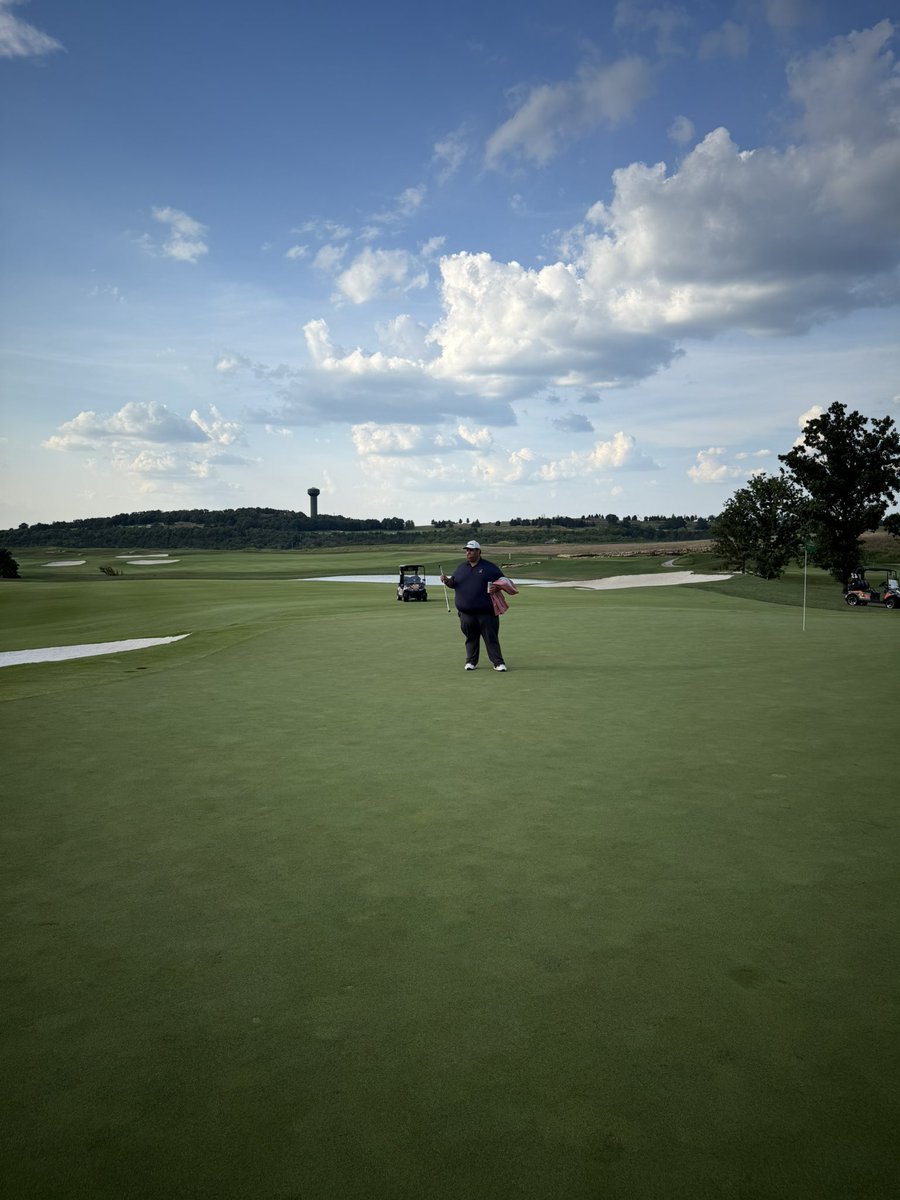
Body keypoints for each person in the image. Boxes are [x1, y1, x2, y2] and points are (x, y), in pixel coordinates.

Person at [440, 541, 510, 672]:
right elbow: (454, 583)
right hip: (466, 613)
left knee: (491, 638)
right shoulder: (461, 568)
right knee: (471, 638)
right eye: (467, 550)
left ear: (479, 551)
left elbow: (504, 582)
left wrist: (498, 586)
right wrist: (447, 581)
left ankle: (498, 663)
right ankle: (471, 661)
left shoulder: (490, 567)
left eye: (471, 550)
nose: (468, 552)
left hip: (487, 612)